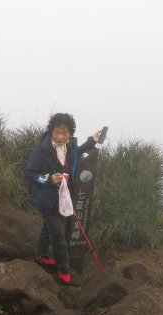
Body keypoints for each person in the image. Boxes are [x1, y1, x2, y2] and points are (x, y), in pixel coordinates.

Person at [25, 113, 100, 285]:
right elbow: (30, 173)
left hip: (64, 197)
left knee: (48, 228)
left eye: (64, 133)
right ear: (51, 131)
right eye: (57, 132)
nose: (60, 137)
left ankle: (40, 254)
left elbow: (78, 152)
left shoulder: (71, 147)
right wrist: (48, 179)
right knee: (57, 233)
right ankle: (63, 268)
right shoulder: (42, 150)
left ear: (70, 134)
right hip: (47, 198)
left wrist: (92, 140)